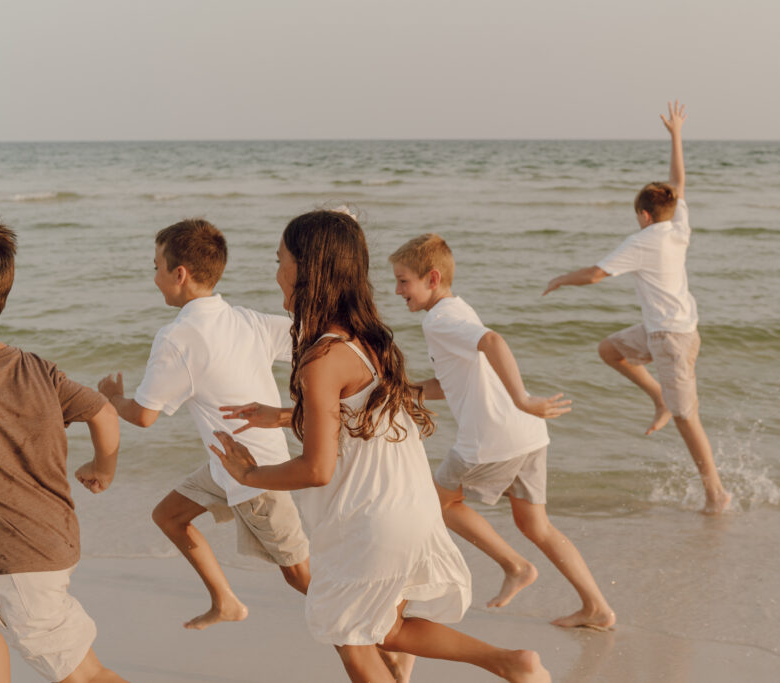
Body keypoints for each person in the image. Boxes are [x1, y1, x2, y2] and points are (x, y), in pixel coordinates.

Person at [210, 210, 549, 683]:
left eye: (280, 259)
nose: (276, 272)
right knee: (384, 628)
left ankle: (510, 664)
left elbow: (317, 469)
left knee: (351, 635)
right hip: (405, 503)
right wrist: (289, 417)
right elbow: (358, 420)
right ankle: (511, 663)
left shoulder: (322, 356)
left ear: (309, 269)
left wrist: (249, 475)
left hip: (369, 517)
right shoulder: (367, 337)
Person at [0, 209, 126, 682]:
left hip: (9, 563)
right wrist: (104, 468)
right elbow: (103, 411)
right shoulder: (38, 368)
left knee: (86, 675)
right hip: (51, 541)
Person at [389, 234, 616, 631]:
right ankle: (596, 607)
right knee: (536, 525)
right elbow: (449, 383)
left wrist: (523, 399)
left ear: (432, 278)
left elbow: (493, 341)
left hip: (492, 439)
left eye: (403, 281)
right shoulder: (458, 310)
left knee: (436, 502)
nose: (397, 290)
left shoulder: (439, 320)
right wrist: (398, 393)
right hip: (527, 434)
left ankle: (515, 565)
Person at [97, 218, 310, 631]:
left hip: (257, 476)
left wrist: (112, 397)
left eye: (156, 267)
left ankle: (381, 636)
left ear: (180, 274)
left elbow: (144, 414)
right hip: (224, 465)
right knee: (169, 515)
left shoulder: (178, 337)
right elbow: (314, 339)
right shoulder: (248, 320)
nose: (154, 277)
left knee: (300, 577)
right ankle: (225, 600)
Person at [543, 101, 731, 514]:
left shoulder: (643, 240)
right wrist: (677, 135)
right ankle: (659, 398)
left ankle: (716, 492)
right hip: (666, 330)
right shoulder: (677, 225)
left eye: (637, 215)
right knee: (610, 350)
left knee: (688, 419)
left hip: (672, 339)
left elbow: (596, 274)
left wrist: (560, 279)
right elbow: (678, 181)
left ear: (644, 216)